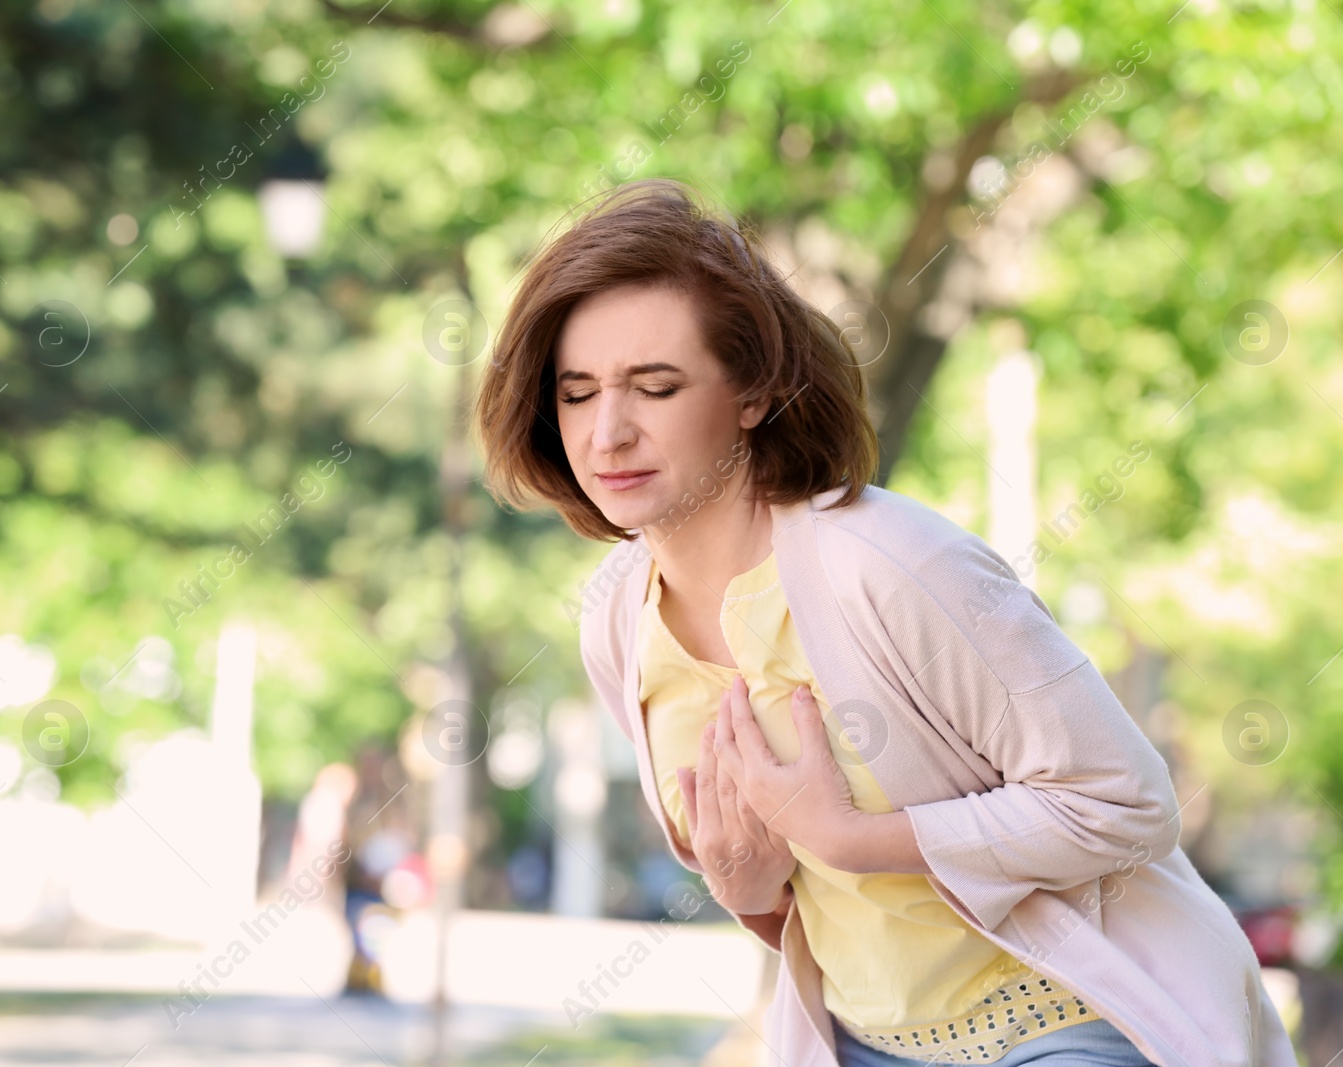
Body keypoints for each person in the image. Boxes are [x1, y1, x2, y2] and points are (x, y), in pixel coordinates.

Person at [474, 178, 1298, 1067]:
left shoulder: (890, 563)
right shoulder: (615, 620)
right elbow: (803, 905)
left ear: (752, 394)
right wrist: (748, 886)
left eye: (656, 387)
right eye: (577, 392)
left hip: (1069, 1022)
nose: (608, 434)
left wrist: (850, 837)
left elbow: (1127, 802)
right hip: (861, 1042)